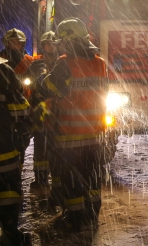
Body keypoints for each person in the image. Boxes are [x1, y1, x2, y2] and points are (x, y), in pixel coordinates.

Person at [40, 18, 108, 232]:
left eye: (63, 42)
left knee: (72, 180)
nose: (61, 45)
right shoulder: (100, 62)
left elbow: (49, 88)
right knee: (92, 177)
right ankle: (91, 214)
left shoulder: (65, 63)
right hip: (95, 135)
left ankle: (76, 219)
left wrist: (44, 76)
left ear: (69, 41)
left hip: (70, 135)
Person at [0, 27, 32, 245]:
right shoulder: (3, 71)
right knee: (8, 194)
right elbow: (20, 111)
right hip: (3, 150)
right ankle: (10, 232)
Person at [27, 31, 60, 196]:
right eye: (46, 44)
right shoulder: (37, 64)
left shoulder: (62, 63)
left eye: (51, 43)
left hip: (57, 111)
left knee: (55, 147)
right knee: (40, 146)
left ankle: (57, 180)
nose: (49, 46)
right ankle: (40, 179)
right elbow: (29, 84)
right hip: (40, 110)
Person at [0, 28, 34, 170]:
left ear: (23, 44)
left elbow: (35, 82)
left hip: (24, 107)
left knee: (23, 139)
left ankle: (18, 165)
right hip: (4, 107)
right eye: (12, 42)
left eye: (17, 42)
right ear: (6, 44)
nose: (15, 45)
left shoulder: (29, 61)